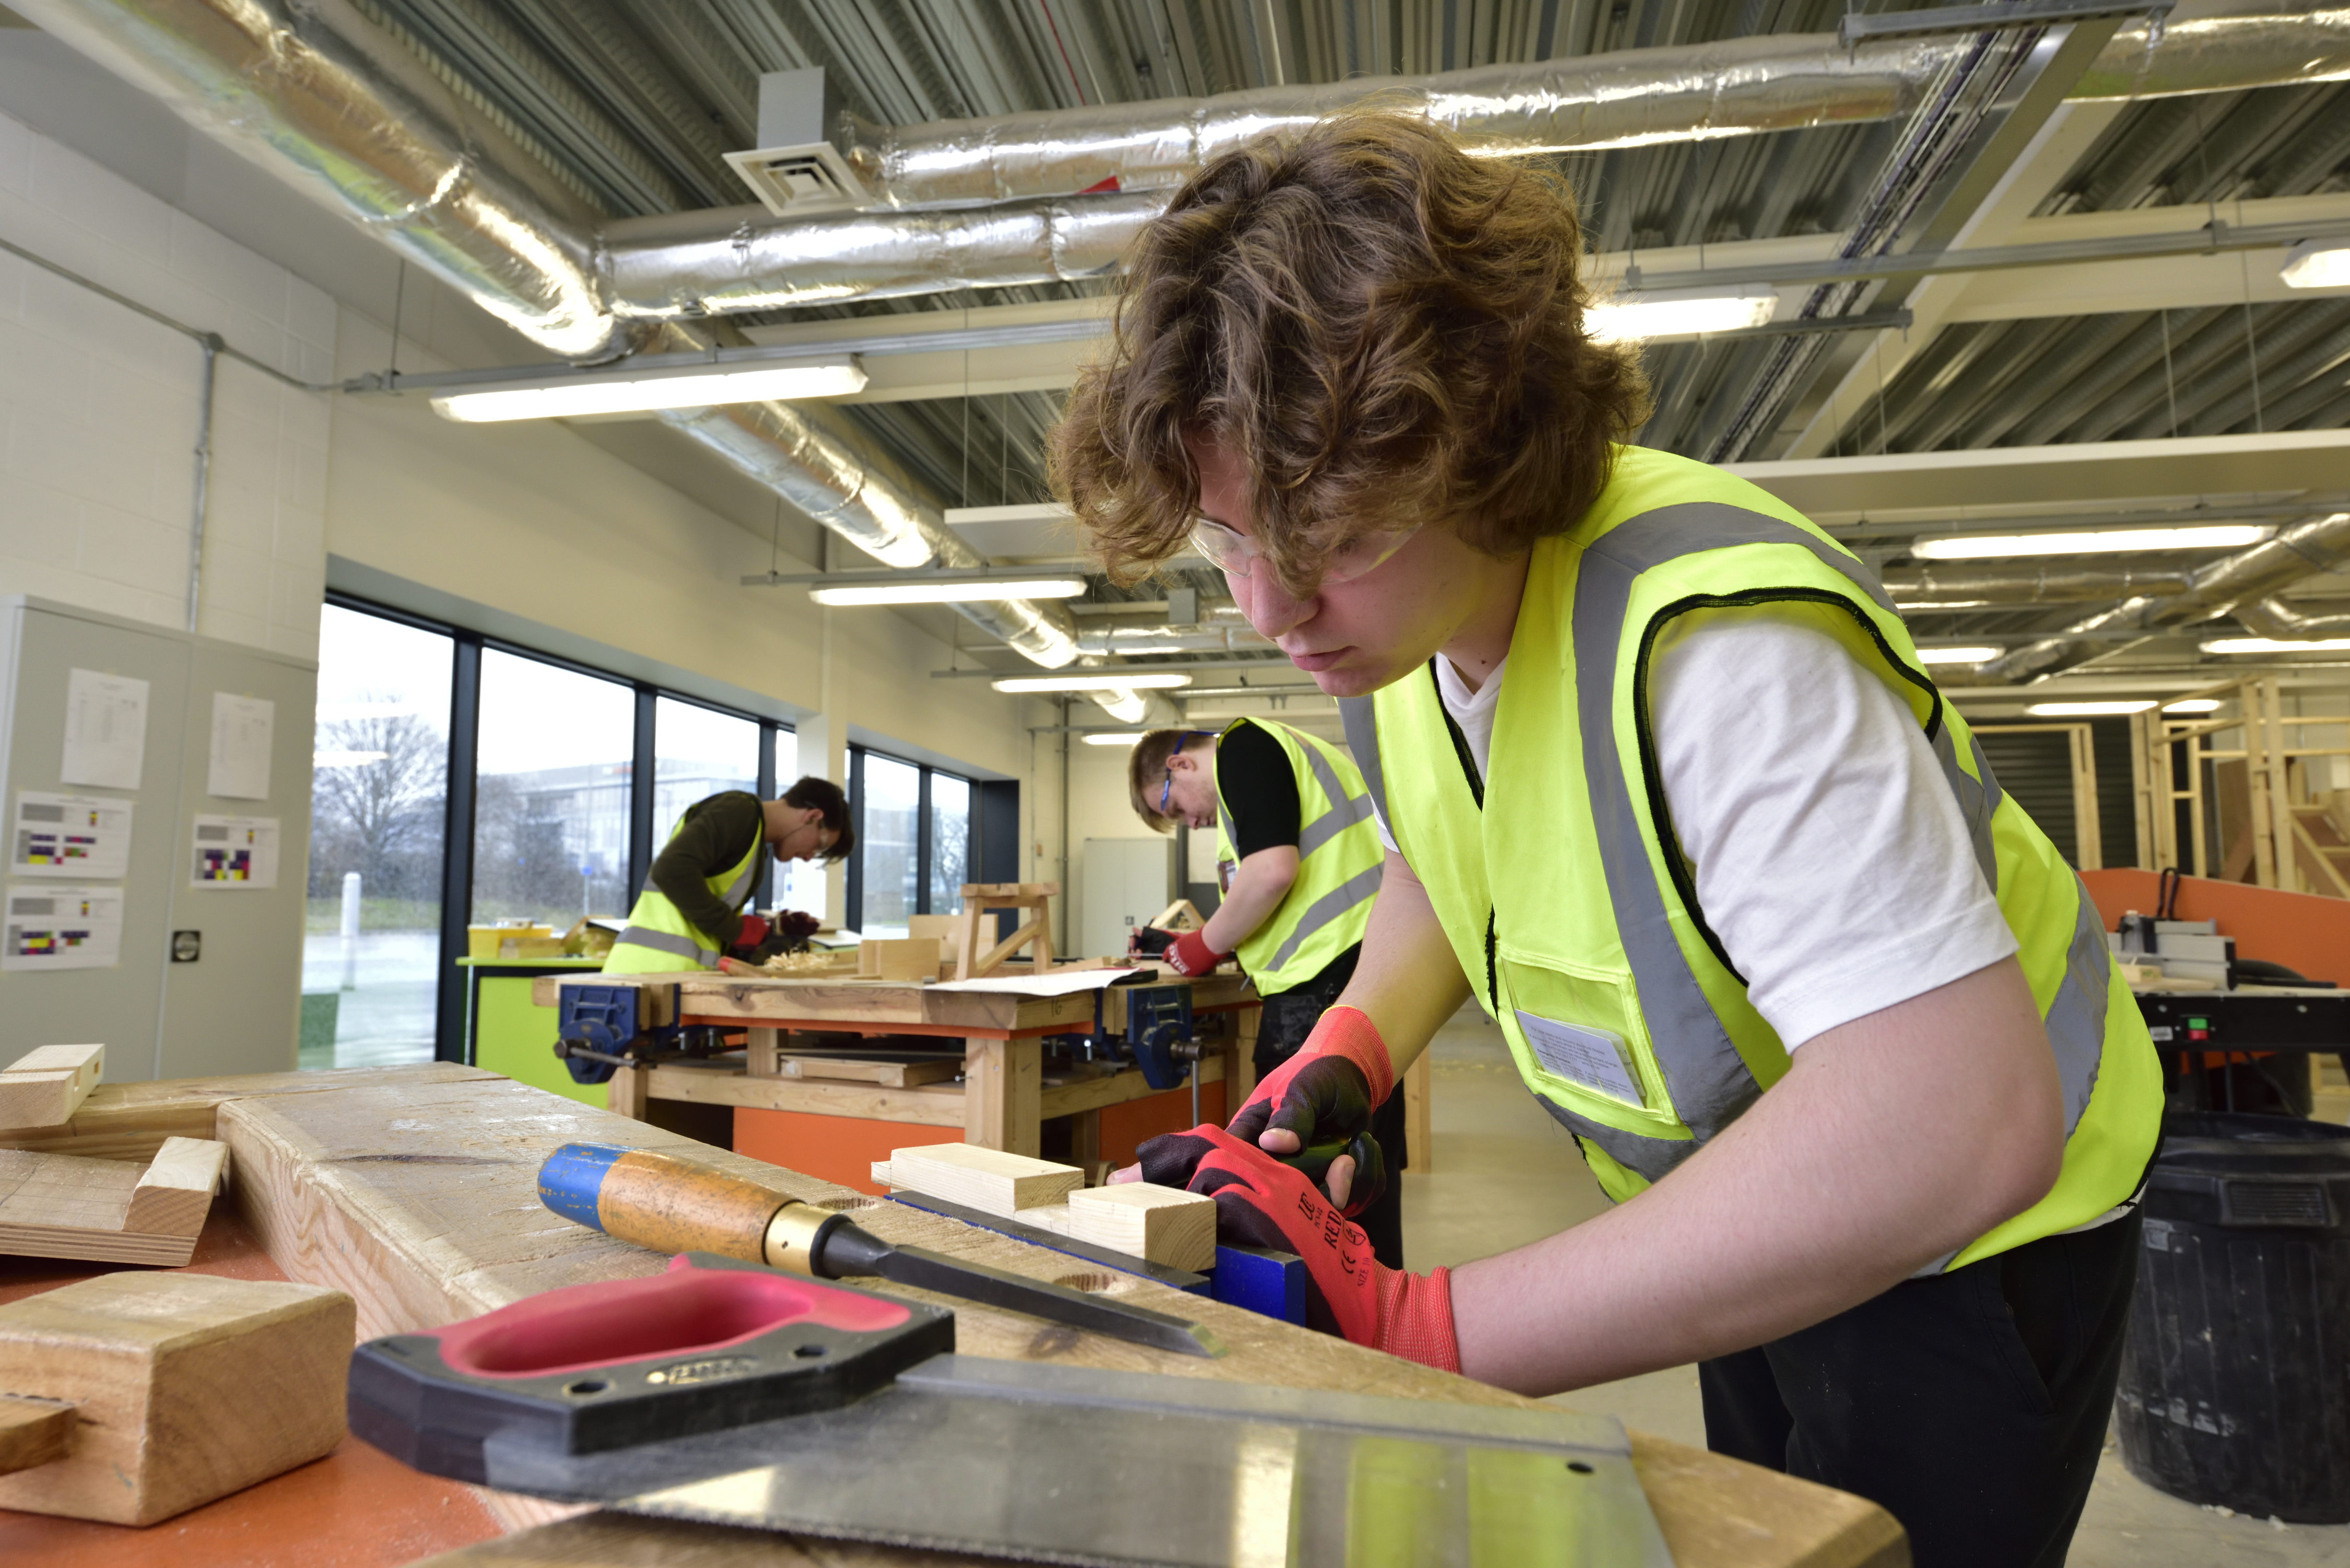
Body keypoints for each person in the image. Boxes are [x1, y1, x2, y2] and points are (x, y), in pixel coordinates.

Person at [1050, 113, 2160, 1568]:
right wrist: (1353, 1048)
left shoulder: (1716, 650)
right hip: (1747, 1202)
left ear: (1484, 444)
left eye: (1331, 531)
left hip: (1974, 1239)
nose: (1269, 608)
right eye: (1230, 541)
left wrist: (1417, 1326)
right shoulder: (1399, 648)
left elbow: (1950, 1119)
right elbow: (1451, 860)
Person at [1124, 721, 1404, 1265]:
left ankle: (1339, 1326)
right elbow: (1278, 901)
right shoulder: (1257, 783)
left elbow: (1273, 874)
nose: (1190, 822)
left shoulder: (1243, 748)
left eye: (1174, 808)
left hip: (1322, 985)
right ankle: (1373, 1315)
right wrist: (1193, 941)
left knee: (1306, 1183)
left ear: (1179, 765)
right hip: (1349, 972)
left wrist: (1200, 948)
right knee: (1362, 1176)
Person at [602, 776, 853, 973]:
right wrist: (735, 929)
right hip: (650, 972)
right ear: (813, 817)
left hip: (676, 975)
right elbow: (671, 869)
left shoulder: (754, 843)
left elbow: (705, 911)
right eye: (819, 845)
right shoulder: (739, 812)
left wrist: (772, 931)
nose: (809, 856)